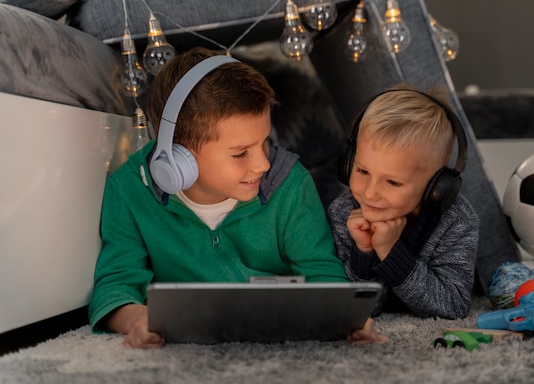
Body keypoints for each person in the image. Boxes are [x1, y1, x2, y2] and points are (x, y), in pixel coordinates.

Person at [89, 47, 386, 348]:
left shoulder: (292, 184)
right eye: (241, 153)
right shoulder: (128, 189)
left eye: (265, 142)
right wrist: (137, 320)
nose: (263, 164)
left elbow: (322, 272)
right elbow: (116, 285)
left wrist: (342, 317)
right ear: (178, 157)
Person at [327, 87, 479, 319]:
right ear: (348, 162)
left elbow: (453, 305)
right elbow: (361, 308)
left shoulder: (456, 221)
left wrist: (390, 251)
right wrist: (364, 251)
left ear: (436, 187)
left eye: (392, 182)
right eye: (362, 170)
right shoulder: (344, 212)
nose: (370, 193)